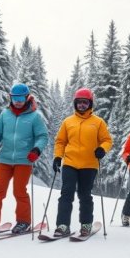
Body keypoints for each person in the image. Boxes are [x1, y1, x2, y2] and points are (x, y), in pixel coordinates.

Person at [0, 83, 48, 234]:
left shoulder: (34, 117)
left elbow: (42, 136)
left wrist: (36, 150)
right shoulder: (5, 114)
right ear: (10, 98)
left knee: (19, 191)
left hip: (24, 160)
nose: (17, 101)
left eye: (21, 98)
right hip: (5, 159)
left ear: (27, 98)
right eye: (14, 98)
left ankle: (23, 222)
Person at [52, 88, 113, 237]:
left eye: (85, 102)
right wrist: (58, 157)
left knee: (84, 194)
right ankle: (62, 225)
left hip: (89, 164)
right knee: (66, 193)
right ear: (75, 103)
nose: (82, 105)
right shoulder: (68, 122)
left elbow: (107, 140)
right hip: (70, 163)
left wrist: (102, 149)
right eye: (79, 102)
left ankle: (86, 225)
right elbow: (60, 141)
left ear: (90, 104)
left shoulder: (98, 122)